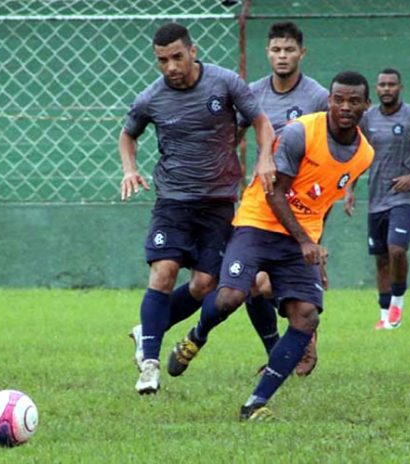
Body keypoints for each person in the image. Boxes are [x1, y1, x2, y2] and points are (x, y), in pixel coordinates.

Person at [169, 71, 374, 419]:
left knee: (306, 316)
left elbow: (321, 204)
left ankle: (255, 404)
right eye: (338, 98)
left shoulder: (364, 154)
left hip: (299, 237)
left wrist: (315, 252)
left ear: (365, 106)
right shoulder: (300, 133)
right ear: (328, 100)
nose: (345, 106)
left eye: (354, 101)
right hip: (258, 220)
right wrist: (305, 241)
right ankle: (196, 336)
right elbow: (275, 192)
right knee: (231, 295)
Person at [119, 23, 276, 394]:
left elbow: (261, 121)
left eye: (177, 56)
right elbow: (128, 134)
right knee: (164, 270)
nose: (171, 66)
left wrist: (265, 158)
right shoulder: (151, 98)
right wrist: (130, 169)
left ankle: (147, 330)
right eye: (162, 60)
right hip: (172, 201)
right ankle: (150, 365)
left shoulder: (225, 83)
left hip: (219, 203)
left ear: (192, 50)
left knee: (205, 285)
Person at [239, 21, 329, 375]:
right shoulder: (253, 94)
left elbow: (340, 145)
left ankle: (305, 342)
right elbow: (232, 135)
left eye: (289, 49)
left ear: (301, 53)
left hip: (305, 206)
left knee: (290, 281)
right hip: (262, 204)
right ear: (267, 52)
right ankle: (278, 350)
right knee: (251, 283)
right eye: (276, 49)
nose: (282, 56)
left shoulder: (318, 97)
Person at [344, 68, 410, 330]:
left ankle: (398, 302)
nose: (387, 89)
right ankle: (385, 314)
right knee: (381, 257)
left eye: (392, 84)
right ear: (376, 89)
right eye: (382, 85)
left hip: (406, 196)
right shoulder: (367, 119)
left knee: (397, 249)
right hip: (377, 198)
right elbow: (358, 156)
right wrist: (350, 188)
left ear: (400, 88)